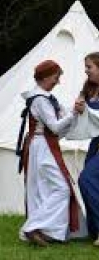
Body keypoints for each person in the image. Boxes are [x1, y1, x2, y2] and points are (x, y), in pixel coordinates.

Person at [18, 60, 83, 246]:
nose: (58, 81)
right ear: (46, 76)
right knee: (61, 188)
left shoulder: (45, 98)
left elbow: (58, 130)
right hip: (42, 147)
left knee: (45, 190)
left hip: (43, 145)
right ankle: (33, 226)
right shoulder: (40, 99)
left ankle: (49, 232)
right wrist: (73, 114)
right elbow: (54, 127)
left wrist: (72, 115)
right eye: (56, 77)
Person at [66, 52, 99, 246]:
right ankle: (94, 231)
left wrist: (86, 110)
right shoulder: (88, 89)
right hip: (95, 143)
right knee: (87, 181)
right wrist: (78, 110)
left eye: (89, 67)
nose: (86, 71)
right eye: (85, 67)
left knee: (87, 179)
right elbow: (85, 120)